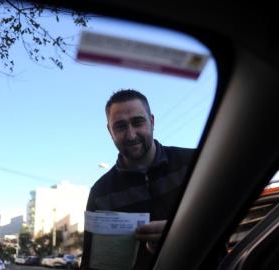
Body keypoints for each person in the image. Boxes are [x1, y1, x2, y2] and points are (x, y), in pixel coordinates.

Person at [81, 89, 195, 270]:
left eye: (138, 122)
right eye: (120, 126)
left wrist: (181, 232)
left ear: (152, 121)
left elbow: (228, 216)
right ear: (110, 131)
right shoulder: (100, 193)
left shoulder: (193, 162)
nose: (131, 134)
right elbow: (90, 262)